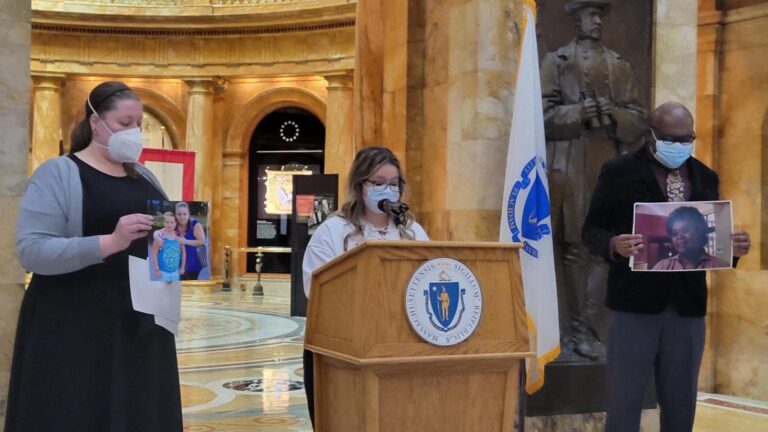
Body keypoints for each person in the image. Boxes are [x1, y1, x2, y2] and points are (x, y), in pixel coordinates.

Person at [7, 81, 183, 431]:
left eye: (138, 124)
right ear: (95, 123)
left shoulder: (144, 175)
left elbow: (162, 241)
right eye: (123, 123)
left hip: (141, 326)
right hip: (75, 326)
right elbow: (32, 250)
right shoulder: (58, 173)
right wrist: (109, 242)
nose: (133, 132)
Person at [582, 101, 752, 432]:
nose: (679, 146)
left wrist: (731, 249)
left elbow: (707, 240)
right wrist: (613, 244)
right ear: (652, 134)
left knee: (680, 406)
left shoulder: (705, 176)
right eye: (671, 139)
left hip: (687, 310)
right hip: (633, 308)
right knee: (624, 404)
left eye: (686, 138)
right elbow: (591, 230)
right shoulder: (620, 172)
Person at [541, 0, 648, 359]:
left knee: (605, 247)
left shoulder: (620, 65)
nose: (597, 20)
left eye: (600, 14)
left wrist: (613, 115)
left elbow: (638, 118)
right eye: (590, 14)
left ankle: (594, 329)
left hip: (607, 165)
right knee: (573, 248)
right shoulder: (556, 61)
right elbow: (541, 116)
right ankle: (574, 333)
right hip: (568, 165)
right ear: (576, 19)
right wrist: (579, 113)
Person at [301, 147, 429, 425]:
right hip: (346, 347)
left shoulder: (412, 231)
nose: (388, 189)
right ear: (360, 185)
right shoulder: (333, 231)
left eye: (393, 184)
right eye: (379, 183)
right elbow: (317, 289)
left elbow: (428, 277)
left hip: (402, 343)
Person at [652, 206, 730, 271]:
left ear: (699, 232)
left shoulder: (721, 266)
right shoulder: (661, 267)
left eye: (685, 230)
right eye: (675, 234)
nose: (680, 236)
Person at [174, 201, 207, 280]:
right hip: (177, 264)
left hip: (193, 265)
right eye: (179, 214)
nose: (182, 217)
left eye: (184, 214)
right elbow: (161, 233)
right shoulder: (173, 224)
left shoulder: (195, 225)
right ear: (176, 215)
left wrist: (185, 241)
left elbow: (202, 241)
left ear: (188, 214)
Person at [152, 212, 186, 281]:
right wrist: (157, 270)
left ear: (175, 224)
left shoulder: (179, 237)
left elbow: (184, 253)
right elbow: (154, 254)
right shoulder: (160, 237)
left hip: (176, 272)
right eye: (167, 222)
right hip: (163, 273)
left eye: (172, 222)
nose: (169, 224)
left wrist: (182, 267)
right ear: (164, 223)